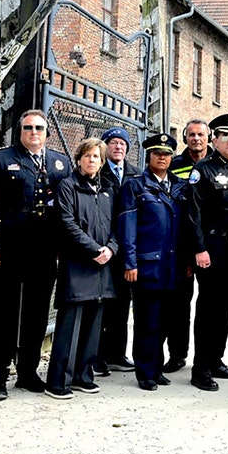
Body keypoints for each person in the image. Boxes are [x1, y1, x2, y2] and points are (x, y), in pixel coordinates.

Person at [0, 110, 72, 401]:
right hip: (9, 248)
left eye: (39, 128)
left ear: (47, 132)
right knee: (4, 313)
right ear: (20, 131)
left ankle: (28, 372)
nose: (34, 132)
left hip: (44, 250)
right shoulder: (1, 159)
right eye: (28, 127)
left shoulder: (60, 162)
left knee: (36, 314)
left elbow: (67, 208)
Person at [44, 138, 117, 399]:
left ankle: (83, 376)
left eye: (96, 156)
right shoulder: (68, 186)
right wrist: (94, 250)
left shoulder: (108, 189)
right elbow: (66, 223)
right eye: (87, 156)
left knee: (93, 326)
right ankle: (58, 382)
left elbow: (116, 226)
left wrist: (111, 248)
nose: (91, 160)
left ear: (102, 161)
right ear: (78, 159)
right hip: (77, 265)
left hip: (102, 268)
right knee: (70, 326)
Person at [119, 134, 193, 391]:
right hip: (147, 264)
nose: (162, 157)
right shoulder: (135, 186)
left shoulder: (180, 186)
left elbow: (186, 227)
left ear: (172, 157)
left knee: (165, 321)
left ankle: (157, 367)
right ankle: (145, 372)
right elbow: (127, 227)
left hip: (173, 266)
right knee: (147, 321)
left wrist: (188, 260)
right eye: (157, 153)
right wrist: (129, 262)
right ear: (148, 156)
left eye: (167, 153)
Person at [188, 113, 228, 391]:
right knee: (208, 308)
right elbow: (194, 213)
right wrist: (199, 249)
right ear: (214, 139)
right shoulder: (204, 169)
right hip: (212, 248)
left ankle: (216, 359)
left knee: (226, 307)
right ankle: (200, 368)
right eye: (225, 136)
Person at [161, 119, 209, 373]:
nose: (196, 139)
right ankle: (177, 354)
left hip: (210, 246)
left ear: (208, 137)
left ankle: (211, 357)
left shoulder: (215, 164)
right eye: (191, 134)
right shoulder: (176, 166)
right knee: (179, 305)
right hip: (181, 247)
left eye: (200, 134)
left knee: (210, 304)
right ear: (184, 137)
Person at [94, 126, 140, 376]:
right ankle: (98, 356)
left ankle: (116, 354)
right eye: (113, 143)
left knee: (123, 304)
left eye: (122, 143)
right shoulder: (98, 173)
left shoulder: (135, 174)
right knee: (102, 303)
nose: (118, 147)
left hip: (126, 249)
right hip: (104, 246)